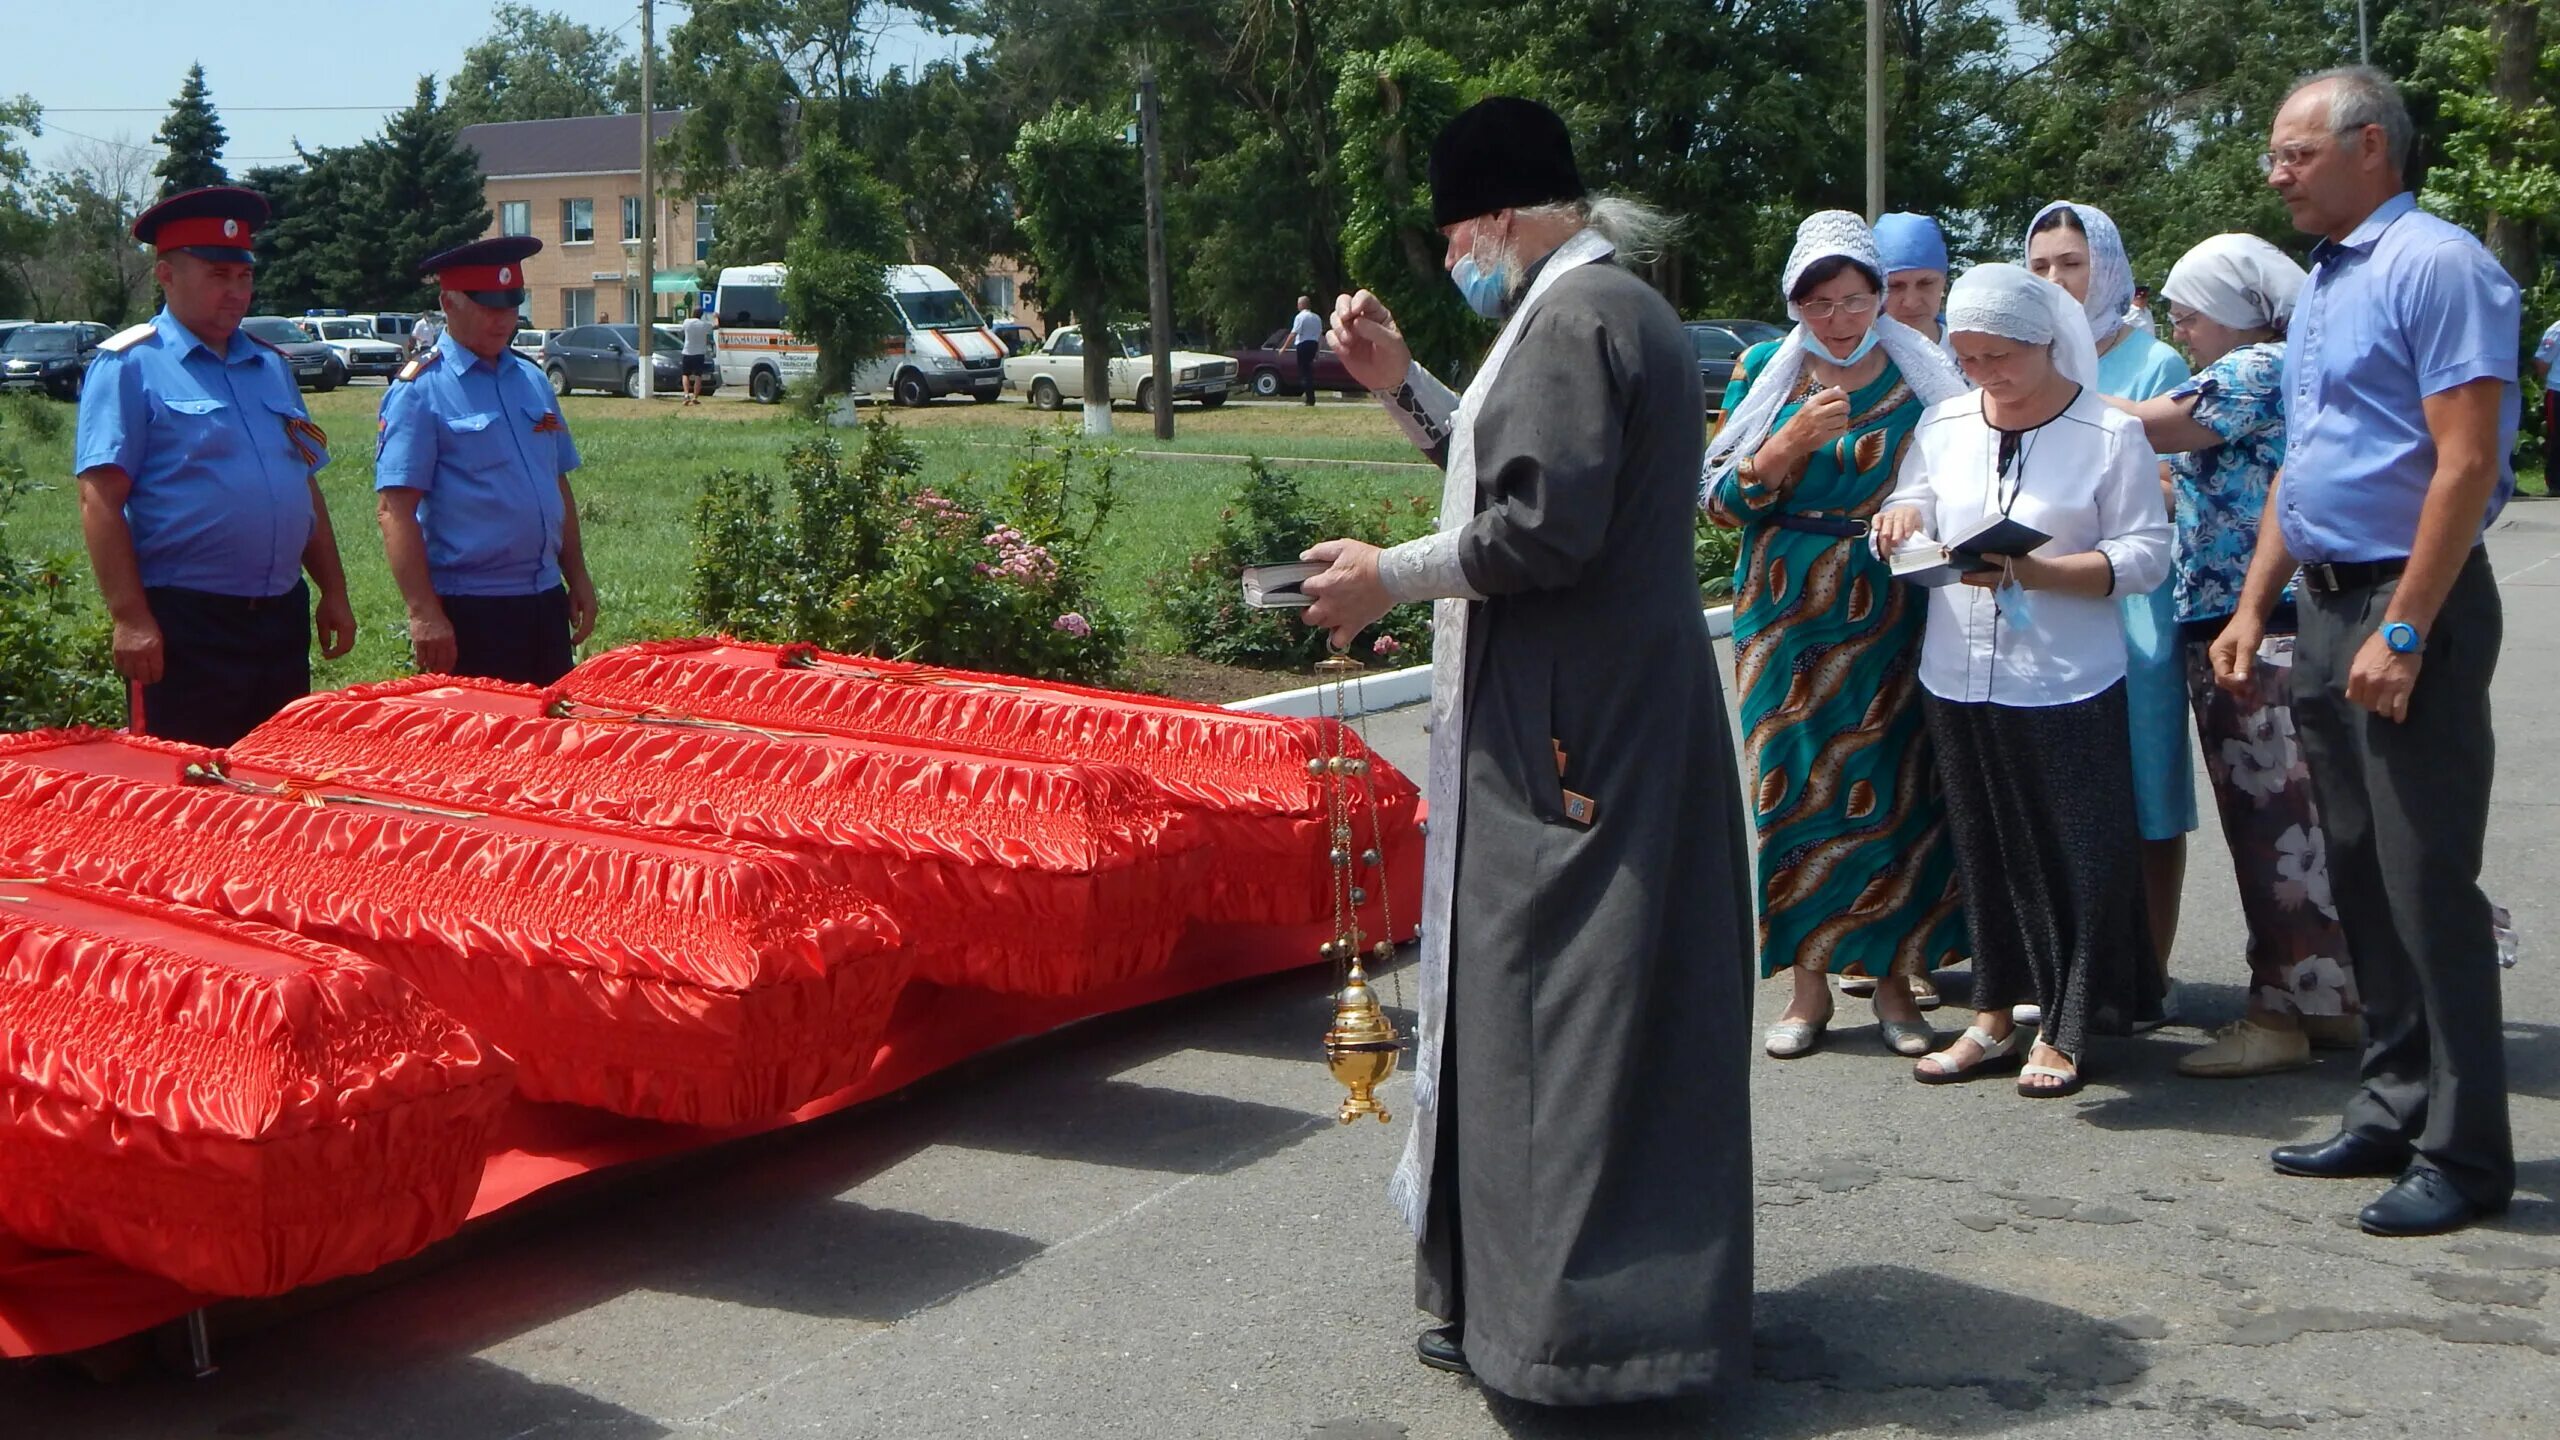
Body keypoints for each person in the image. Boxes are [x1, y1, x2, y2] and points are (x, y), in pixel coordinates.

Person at [1294, 95, 1753, 1404]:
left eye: (1453, 241)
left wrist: (1388, 575)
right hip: (1591, 715)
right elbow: (1507, 470)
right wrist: (1401, 392)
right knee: (1547, 1014)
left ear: (1498, 216)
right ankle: (1523, 1310)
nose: (1451, 265)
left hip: (1576, 738)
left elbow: (1538, 529)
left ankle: (1576, 1340)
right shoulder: (1590, 312)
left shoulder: (1578, 319)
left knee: (1562, 1023)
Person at [2219, 67, 2517, 1237]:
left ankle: (2465, 1152)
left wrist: (2406, 625)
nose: (2275, 172)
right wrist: (2254, 607)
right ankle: (2392, 1102)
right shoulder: (2329, 282)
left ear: (2370, 148)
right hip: (2329, 603)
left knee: (2425, 880)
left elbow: (2465, 462)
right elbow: (2309, 464)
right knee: (2356, 873)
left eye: (2295, 152)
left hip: (2408, 600)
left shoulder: (2434, 264)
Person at [1874, 263, 2171, 1098]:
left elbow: (2145, 554)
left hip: (2069, 677)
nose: (1984, 373)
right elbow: (1920, 502)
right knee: (1985, 843)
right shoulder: (1945, 420)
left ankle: (2068, 1024)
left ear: (2048, 343)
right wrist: (1901, 521)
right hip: (1958, 673)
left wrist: (2045, 573)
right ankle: (1994, 1013)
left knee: (2078, 848)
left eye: (2000, 356)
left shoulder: (2110, 434)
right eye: (1967, 357)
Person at [1703, 210, 1971, 1060]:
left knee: (1892, 788)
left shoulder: (1921, 371)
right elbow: (1717, 505)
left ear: (1879, 296)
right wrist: (1782, 446)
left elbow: (1963, 478)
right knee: (1791, 787)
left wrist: (1912, 504)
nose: (1839, 320)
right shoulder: (1763, 369)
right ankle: (1806, 989)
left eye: (1855, 299)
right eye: (1818, 304)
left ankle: (1894, 985)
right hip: (1782, 612)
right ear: (1795, 305)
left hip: (1889, 604)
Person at [2109, 233, 2362, 1078]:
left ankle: (2276, 1016)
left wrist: (2032, 383)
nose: (2180, 329)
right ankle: (2328, 999)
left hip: (2245, 623)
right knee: (2305, 819)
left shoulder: (2255, 369)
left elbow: (2147, 425)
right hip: (2279, 616)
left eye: (2188, 313)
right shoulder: (2294, 365)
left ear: (2234, 312)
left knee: (2272, 828)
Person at [72, 185, 358, 748]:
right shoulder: (131, 365)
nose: (234, 293)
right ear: (167, 276)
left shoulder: (269, 366)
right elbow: (99, 498)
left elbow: (302, 485)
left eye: (243, 277)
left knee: (276, 783)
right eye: (216, 276)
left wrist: (334, 590)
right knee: (190, 791)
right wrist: (130, 618)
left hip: (278, 617)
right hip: (187, 623)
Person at [2029, 201, 2196, 1015]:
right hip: (2044, 606)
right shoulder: (2024, 360)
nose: (2057, 280)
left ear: (2109, 266)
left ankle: (2147, 972)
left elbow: (2174, 488)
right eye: (2040, 267)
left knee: (2148, 792)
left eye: (2071, 262)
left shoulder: (2155, 364)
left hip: (2135, 605)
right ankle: (2070, 970)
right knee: (2062, 795)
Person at [375, 235, 598, 686]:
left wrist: (578, 577)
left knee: (548, 743)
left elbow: (555, 484)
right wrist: (424, 615)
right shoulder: (420, 390)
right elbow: (394, 510)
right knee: (483, 749)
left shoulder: (531, 380)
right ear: (449, 303)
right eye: (489, 306)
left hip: (542, 600)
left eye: (511, 305)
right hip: (471, 609)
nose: (504, 320)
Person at [1874, 211, 1953, 351]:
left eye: (1926, 283)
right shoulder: (1861, 359)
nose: (1911, 302)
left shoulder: (1973, 353)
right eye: (1895, 286)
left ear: (1944, 283)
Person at [2534, 315, 2557, 490]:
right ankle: (2556, 482)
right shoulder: (2556, 330)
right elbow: (2542, 363)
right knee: (2557, 436)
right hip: (2558, 390)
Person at [1288, 293, 1324, 406]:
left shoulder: (1300, 317)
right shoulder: (1316, 317)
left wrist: (1284, 347)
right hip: (1313, 345)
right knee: (1309, 371)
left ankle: (1309, 400)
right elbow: (1319, 335)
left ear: (1302, 305)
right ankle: (1310, 397)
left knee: (1304, 372)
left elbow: (1293, 333)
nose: (1297, 306)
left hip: (1303, 345)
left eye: (1298, 304)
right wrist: (1318, 350)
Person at [682, 300, 716, 407]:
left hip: (687, 352)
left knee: (685, 374)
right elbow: (716, 326)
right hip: (699, 354)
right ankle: (695, 397)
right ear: (701, 315)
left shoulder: (686, 322)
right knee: (698, 376)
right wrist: (716, 317)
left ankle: (686, 395)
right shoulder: (703, 325)